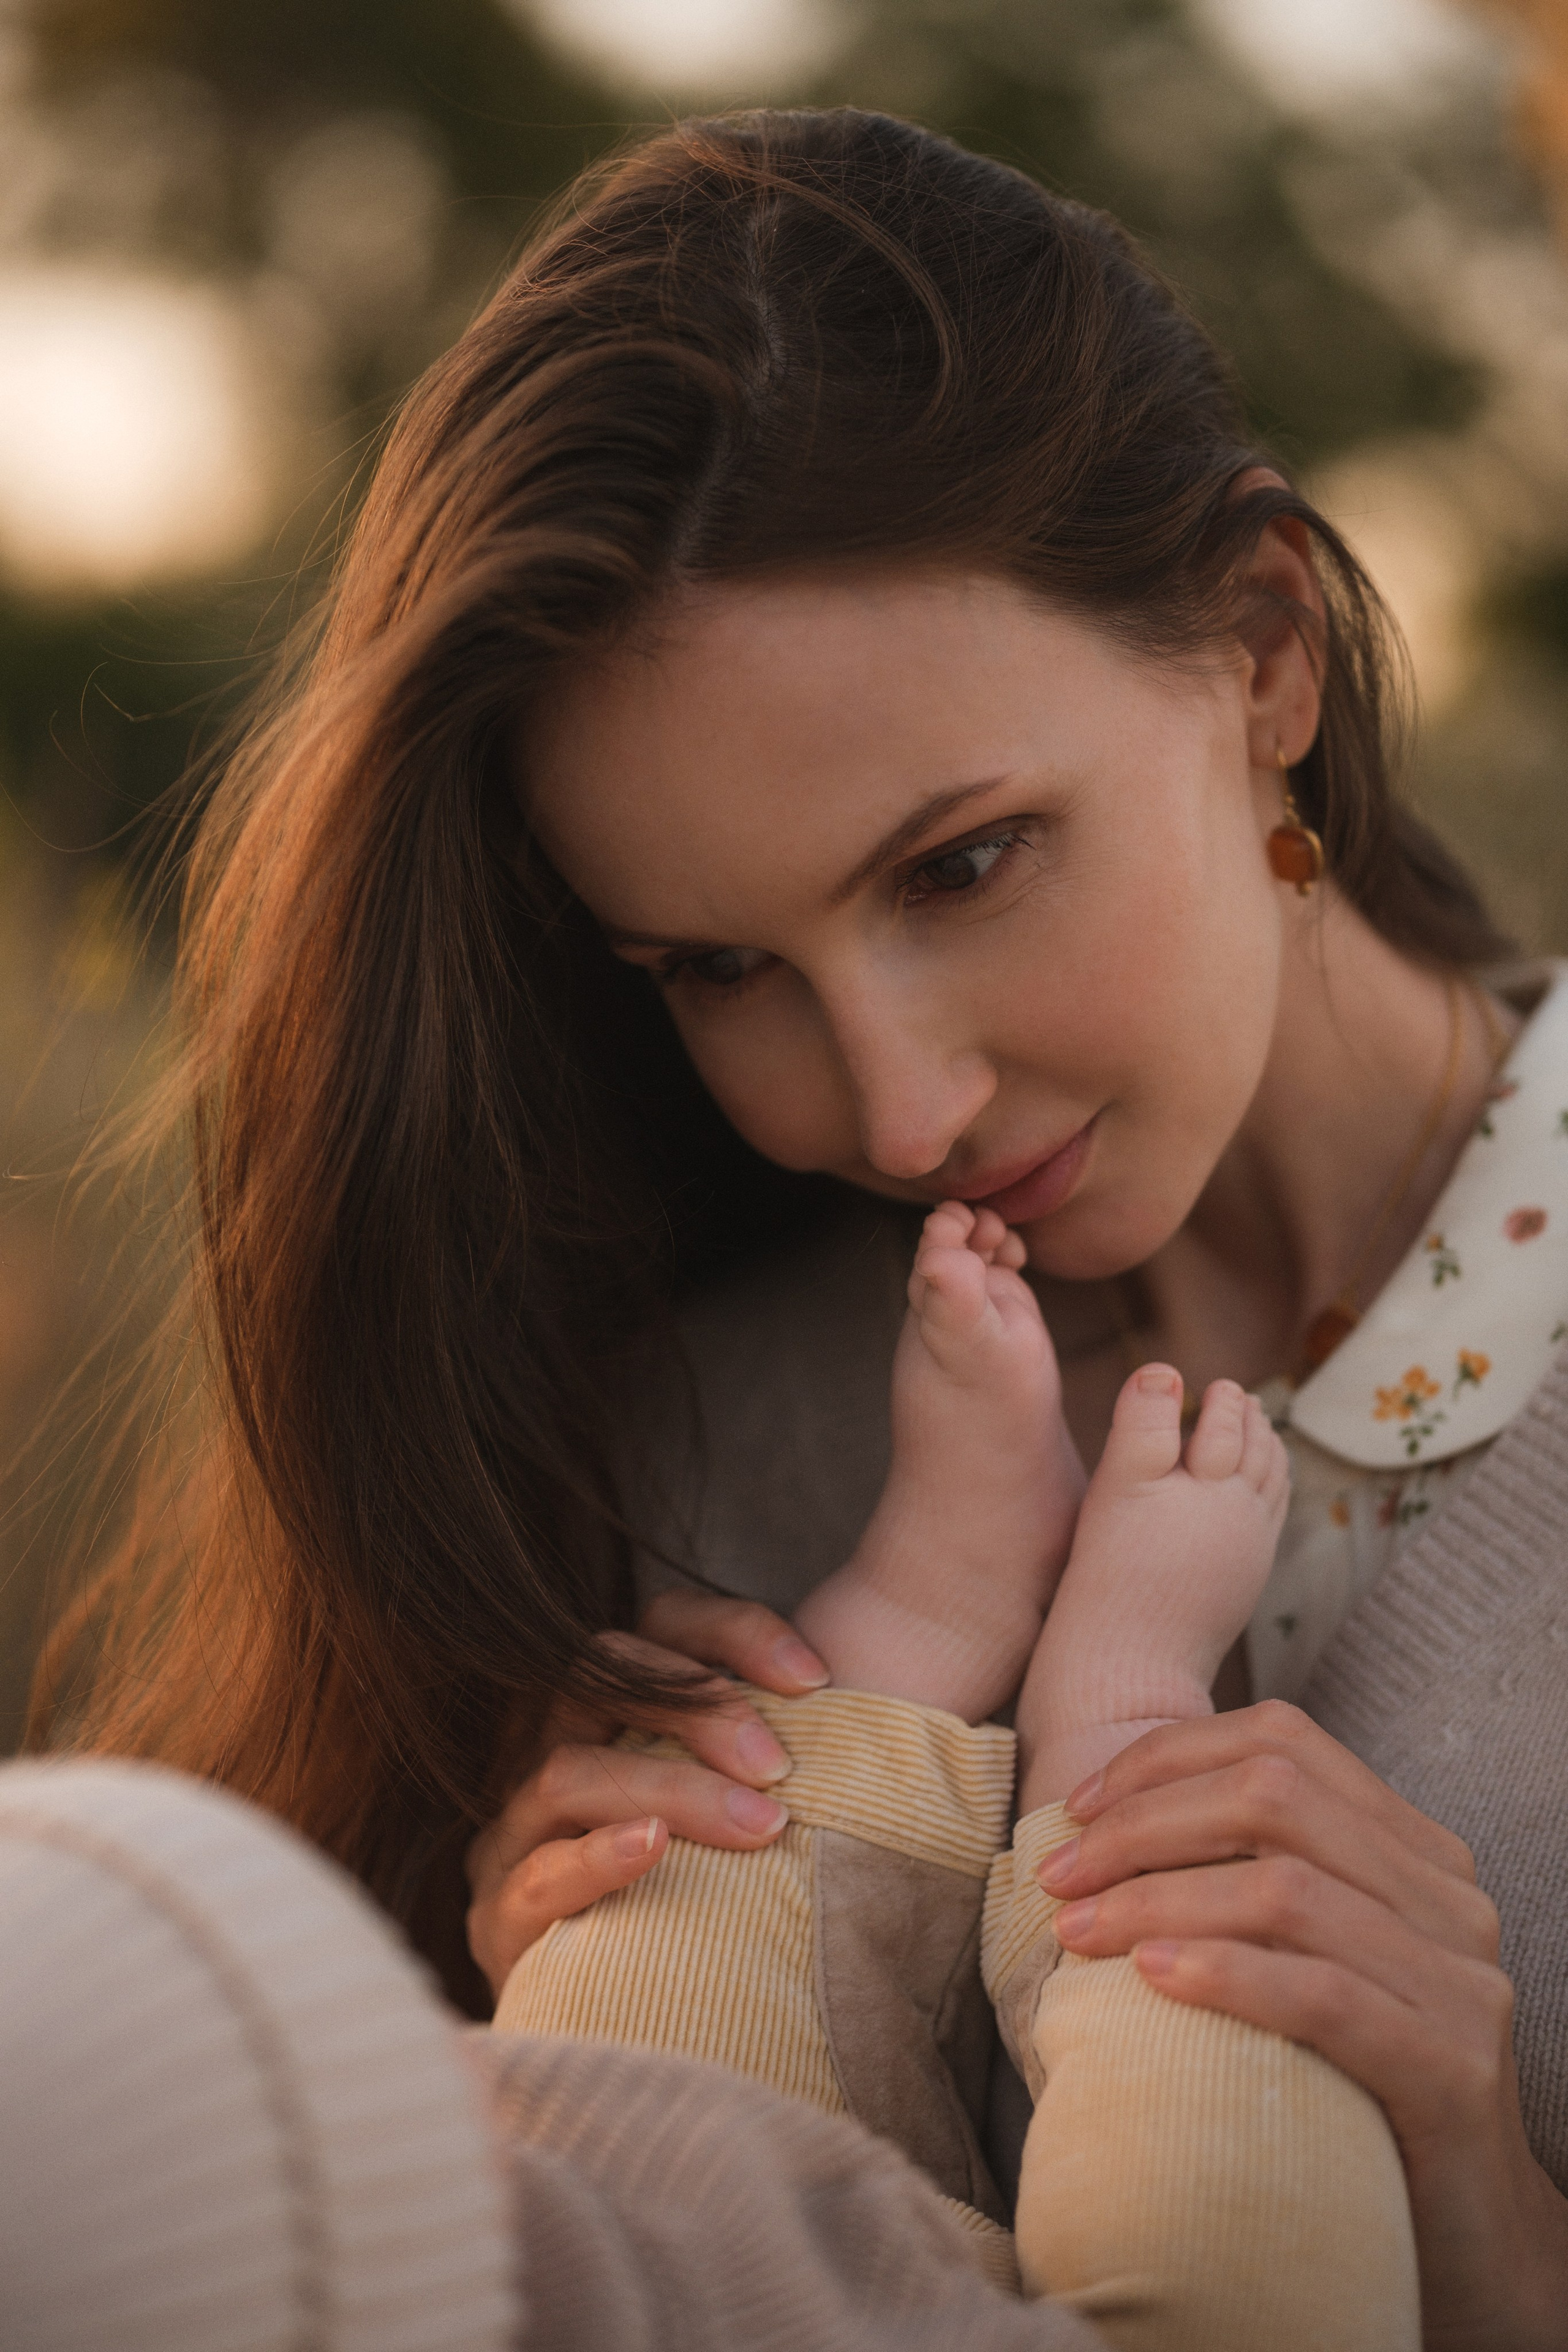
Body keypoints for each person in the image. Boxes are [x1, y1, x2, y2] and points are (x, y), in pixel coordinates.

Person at [28, 108, 1568, 2345]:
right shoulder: (693, 1467)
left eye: (963, 865)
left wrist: (1497, 2215)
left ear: (1265, 654)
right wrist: (572, 2054)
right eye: (719, 968)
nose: (897, 1107)